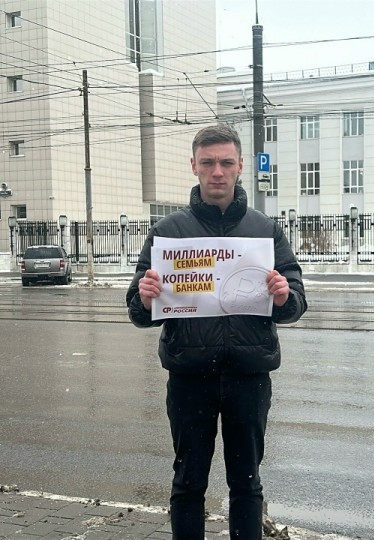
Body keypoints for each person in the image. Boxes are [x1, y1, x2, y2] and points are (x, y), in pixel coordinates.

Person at [125, 124, 307, 539]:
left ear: (240, 165)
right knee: (189, 482)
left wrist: (284, 296)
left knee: (246, 484)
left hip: (249, 378)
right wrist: (146, 297)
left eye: (226, 162)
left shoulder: (264, 230)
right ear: (194, 165)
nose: (217, 172)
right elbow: (138, 309)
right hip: (190, 379)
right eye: (208, 163)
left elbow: (296, 300)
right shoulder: (168, 232)